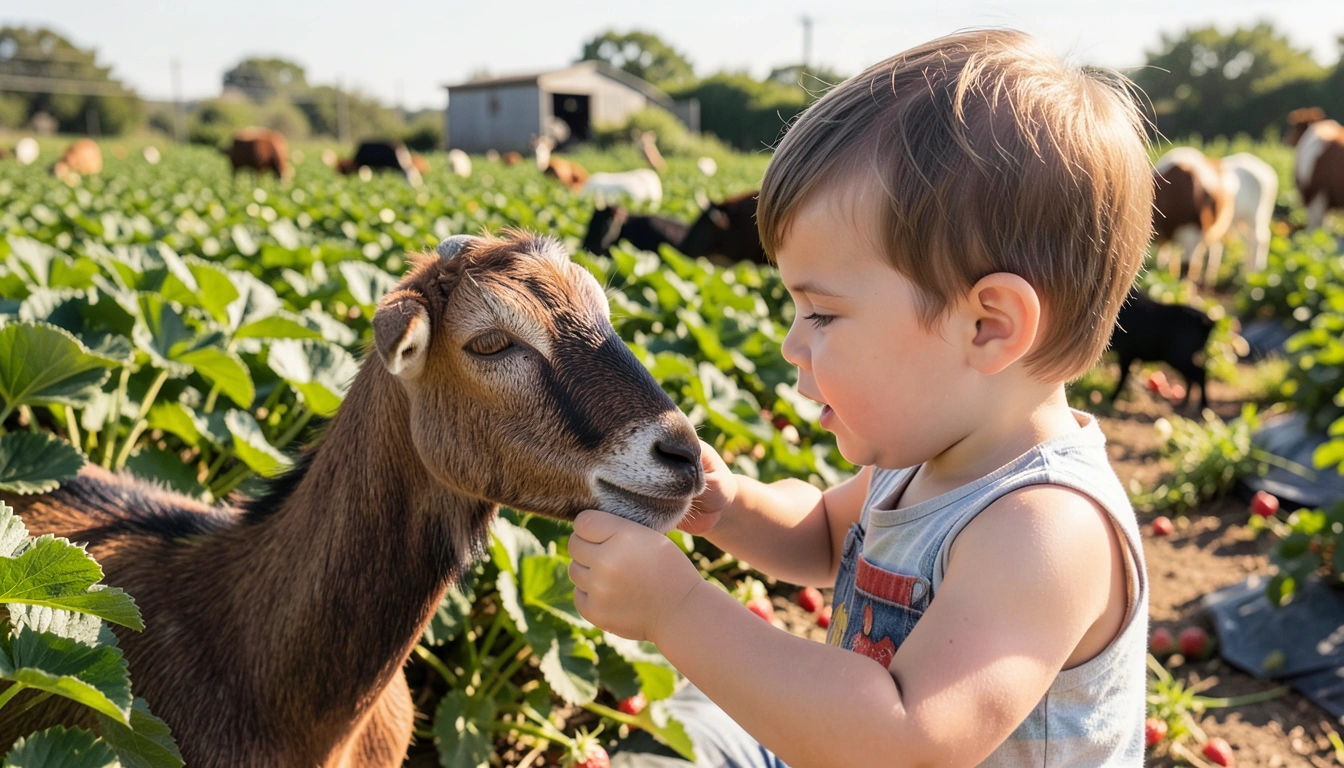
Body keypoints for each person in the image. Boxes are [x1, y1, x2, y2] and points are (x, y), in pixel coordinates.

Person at [567, 28, 1153, 768]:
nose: (790, 343)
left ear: (988, 327)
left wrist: (677, 609)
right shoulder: (923, 461)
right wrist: (731, 504)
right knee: (698, 725)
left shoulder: (1047, 530)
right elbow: (821, 534)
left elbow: (907, 738)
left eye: (821, 314)